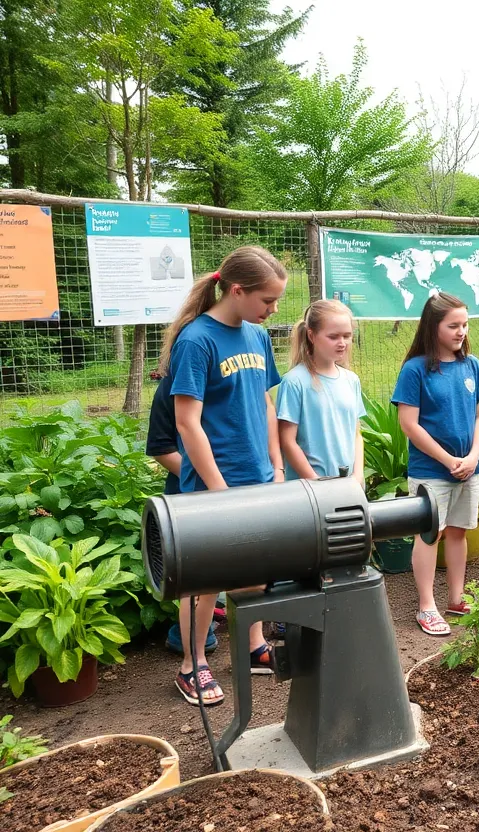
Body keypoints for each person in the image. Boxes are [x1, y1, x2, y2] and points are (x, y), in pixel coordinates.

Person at [162, 246, 288, 705]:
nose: (274, 310)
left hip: (257, 475)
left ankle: (254, 647)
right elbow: (186, 423)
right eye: (268, 301)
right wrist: (218, 490)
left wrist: (275, 466)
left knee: (254, 571)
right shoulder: (197, 340)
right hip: (213, 485)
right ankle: (191, 665)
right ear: (237, 290)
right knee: (206, 579)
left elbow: (266, 404)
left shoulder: (256, 337)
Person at [392, 293, 479, 636]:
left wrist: (474, 455)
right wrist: (449, 460)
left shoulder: (472, 365)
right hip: (431, 472)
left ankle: (455, 598)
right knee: (429, 535)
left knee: (459, 532)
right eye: (453, 326)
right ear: (433, 327)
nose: (461, 331)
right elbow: (410, 425)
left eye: (464, 324)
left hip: (469, 468)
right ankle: (426, 606)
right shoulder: (415, 369)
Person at [145, 374, 220, 655]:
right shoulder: (171, 385)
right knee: (198, 572)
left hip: (227, 488)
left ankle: (211, 620)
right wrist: (201, 474)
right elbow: (160, 448)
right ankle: (184, 639)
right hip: (187, 494)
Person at [276, 299, 365, 485]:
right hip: (309, 492)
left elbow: (356, 434)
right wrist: (317, 482)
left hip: (348, 486)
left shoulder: (351, 380)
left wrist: (358, 476)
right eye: (333, 337)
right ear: (311, 335)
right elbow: (287, 441)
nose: (342, 343)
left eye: (347, 336)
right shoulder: (294, 382)